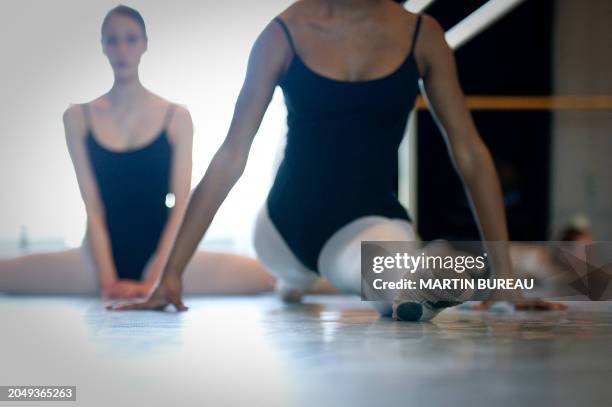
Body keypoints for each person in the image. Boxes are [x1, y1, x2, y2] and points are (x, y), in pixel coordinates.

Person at [108, 0, 564, 319]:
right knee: (299, 277)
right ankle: (301, 280)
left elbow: (469, 150)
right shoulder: (281, 34)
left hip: (365, 225)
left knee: (399, 280)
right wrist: (171, 275)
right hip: (281, 227)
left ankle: (482, 272)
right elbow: (231, 155)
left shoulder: (423, 36)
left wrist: (504, 277)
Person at [0, 5, 279, 299]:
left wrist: (158, 274)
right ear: (103, 47)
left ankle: (326, 274)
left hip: (164, 256)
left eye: (131, 39)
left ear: (144, 44)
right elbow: (93, 207)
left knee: (274, 278)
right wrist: (108, 280)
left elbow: (181, 205)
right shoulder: (78, 117)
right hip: (95, 261)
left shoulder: (176, 117)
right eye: (112, 40)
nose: (122, 49)